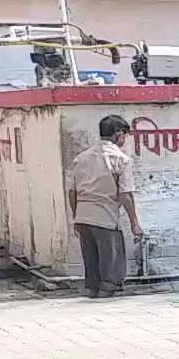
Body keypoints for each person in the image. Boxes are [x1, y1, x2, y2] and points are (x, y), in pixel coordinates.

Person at [65, 114, 142, 298]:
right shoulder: (120, 160)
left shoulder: (81, 158)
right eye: (124, 136)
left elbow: (72, 192)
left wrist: (76, 217)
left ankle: (92, 293)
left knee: (91, 265)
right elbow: (125, 194)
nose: (124, 140)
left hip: (83, 217)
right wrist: (134, 223)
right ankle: (106, 296)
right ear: (118, 135)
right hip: (105, 218)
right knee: (110, 268)